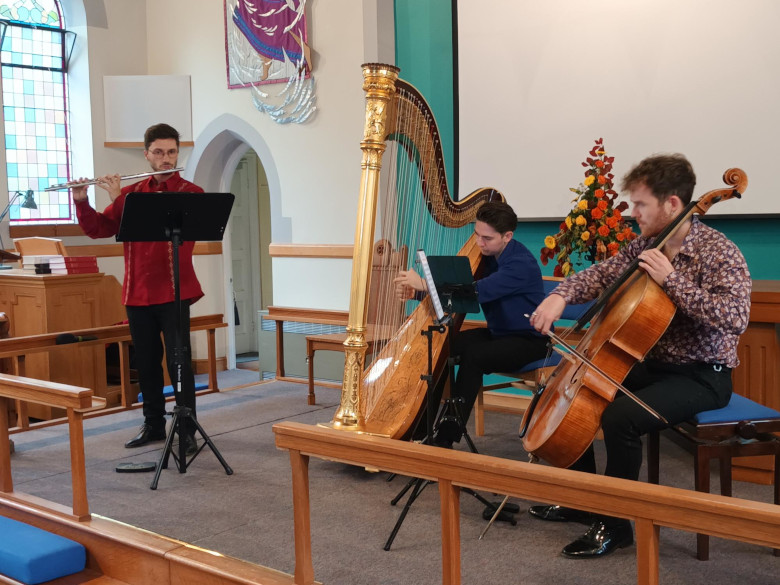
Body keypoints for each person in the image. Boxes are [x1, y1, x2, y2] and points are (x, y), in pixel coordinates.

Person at [528, 154, 751, 558]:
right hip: (653, 365)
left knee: (620, 418)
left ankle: (615, 525)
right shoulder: (646, 245)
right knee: (583, 394)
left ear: (671, 204)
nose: (632, 214)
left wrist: (672, 280)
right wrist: (559, 296)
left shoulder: (719, 252)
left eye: (640, 205)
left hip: (702, 376)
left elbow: (734, 318)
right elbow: (599, 273)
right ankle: (583, 502)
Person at [71, 123, 204, 454]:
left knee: (179, 361)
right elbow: (100, 230)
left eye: (171, 152)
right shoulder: (132, 193)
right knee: (145, 362)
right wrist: (83, 202)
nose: (165, 159)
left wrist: (118, 199)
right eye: (158, 152)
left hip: (174, 290)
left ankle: (186, 428)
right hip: (137, 292)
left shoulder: (190, 193)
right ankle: (154, 424)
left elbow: (150, 227)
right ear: (146, 155)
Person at [395, 200, 549, 447]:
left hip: (530, 341)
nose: (479, 242)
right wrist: (417, 294)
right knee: (446, 342)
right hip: (499, 335)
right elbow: (459, 294)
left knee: (475, 355)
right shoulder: (488, 256)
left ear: (507, 236)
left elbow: (473, 293)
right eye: (476, 235)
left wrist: (424, 284)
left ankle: (446, 437)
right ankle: (417, 425)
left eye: (487, 238)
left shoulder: (521, 264)